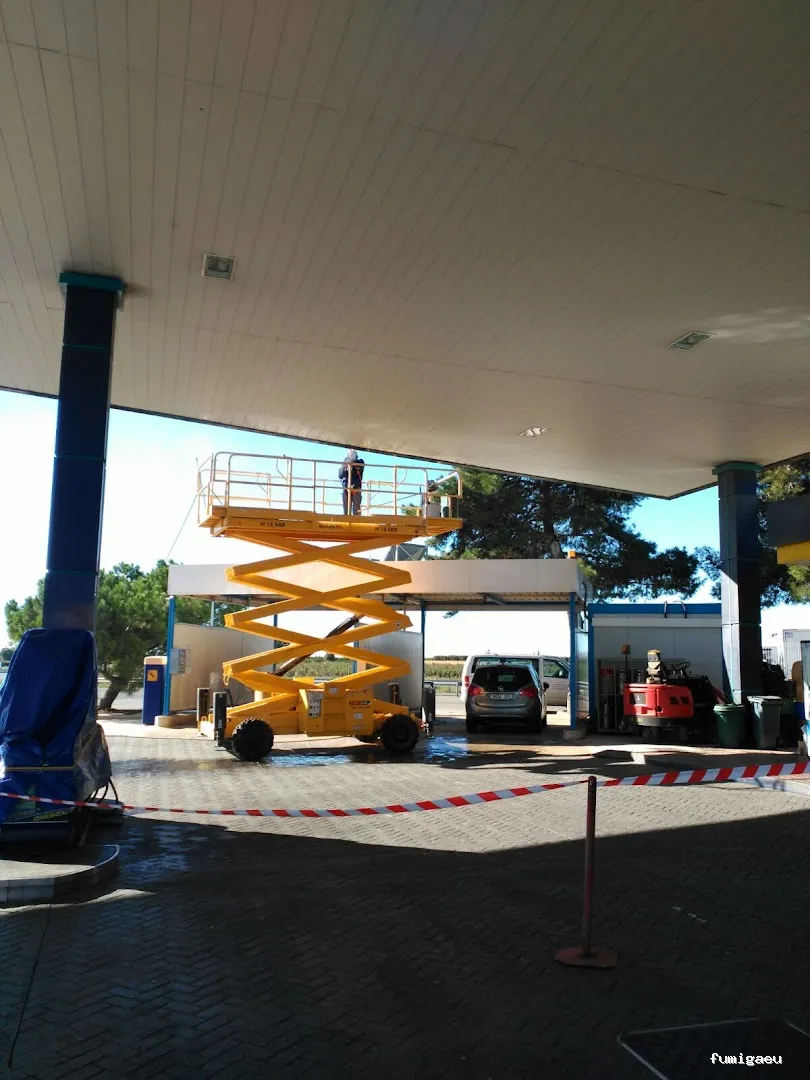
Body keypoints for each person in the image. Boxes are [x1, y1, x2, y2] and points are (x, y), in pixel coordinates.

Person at [339, 449, 365, 515]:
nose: (352, 454)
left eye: (353, 452)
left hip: (356, 488)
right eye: (350, 452)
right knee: (346, 509)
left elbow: (360, 467)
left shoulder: (360, 462)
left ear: (356, 454)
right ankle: (346, 519)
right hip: (346, 488)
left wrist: (351, 463)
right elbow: (340, 475)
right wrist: (345, 465)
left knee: (356, 509)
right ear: (348, 454)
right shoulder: (345, 463)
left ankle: (357, 520)